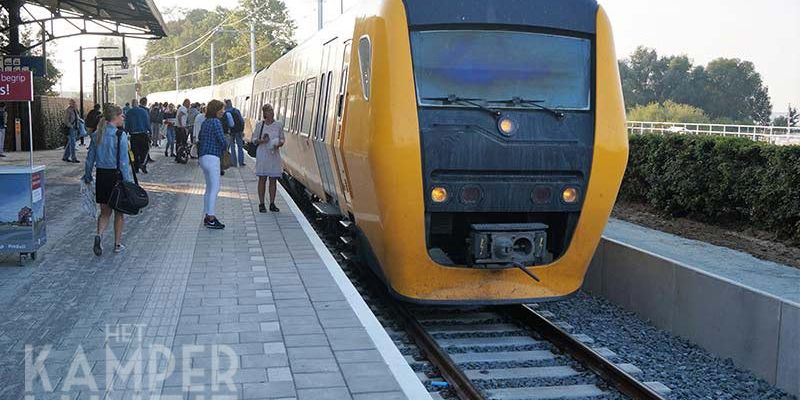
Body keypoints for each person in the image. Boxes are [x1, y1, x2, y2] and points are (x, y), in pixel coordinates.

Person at [82, 104, 134, 255]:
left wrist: (87, 176)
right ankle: (117, 244)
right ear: (115, 117)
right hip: (116, 177)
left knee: (104, 212)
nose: (123, 117)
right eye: (122, 115)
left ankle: (99, 235)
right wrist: (128, 183)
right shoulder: (120, 136)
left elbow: (89, 159)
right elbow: (124, 162)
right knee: (119, 212)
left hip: (101, 176)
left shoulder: (97, 135)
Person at [197, 100, 227, 229]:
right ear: (216, 110)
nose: (223, 111)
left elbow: (200, 137)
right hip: (213, 157)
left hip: (203, 157)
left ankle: (207, 215)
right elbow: (222, 140)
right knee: (215, 188)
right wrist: (225, 146)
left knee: (209, 188)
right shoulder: (216, 122)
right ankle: (211, 217)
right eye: (221, 109)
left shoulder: (205, 122)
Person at [253, 104, 285, 213]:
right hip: (263, 154)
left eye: (272, 110)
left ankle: (272, 203)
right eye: (269, 111)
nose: (271, 112)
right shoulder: (259, 125)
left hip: (274, 155)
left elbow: (282, 138)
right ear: (264, 113)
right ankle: (261, 204)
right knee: (262, 178)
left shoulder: (278, 125)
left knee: (273, 179)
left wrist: (279, 144)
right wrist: (262, 141)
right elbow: (254, 139)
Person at [124, 97, 151, 174]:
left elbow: (127, 124)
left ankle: (136, 168)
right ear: (137, 104)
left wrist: (126, 132)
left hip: (134, 135)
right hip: (143, 134)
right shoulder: (143, 112)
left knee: (135, 151)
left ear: (132, 105)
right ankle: (143, 164)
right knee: (144, 150)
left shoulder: (129, 112)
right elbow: (147, 122)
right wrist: (150, 131)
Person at [223, 99, 246, 167]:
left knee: (232, 147)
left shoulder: (226, 112)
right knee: (240, 147)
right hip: (239, 131)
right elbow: (242, 121)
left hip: (231, 132)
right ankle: (241, 162)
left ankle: (234, 162)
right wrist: (242, 130)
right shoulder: (236, 110)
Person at [62, 99, 80, 163]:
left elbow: (77, 118)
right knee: (72, 144)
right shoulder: (68, 110)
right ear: (70, 103)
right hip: (71, 128)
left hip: (75, 128)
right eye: (73, 102)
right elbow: (65, 120)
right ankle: (73, 158)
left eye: (75, 102)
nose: (74, 103)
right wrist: (70, 126)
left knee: (70, 143)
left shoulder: (75, 110)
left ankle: (65, 157)